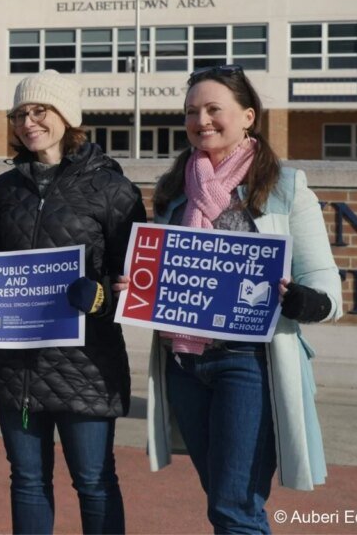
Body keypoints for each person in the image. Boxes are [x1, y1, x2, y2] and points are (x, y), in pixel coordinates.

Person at [137, 65, 343, 533]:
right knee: (226, 500)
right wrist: (141, 285)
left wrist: (303, 302)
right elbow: (166, 274)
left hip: (248, 363)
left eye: (214, 109)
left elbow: (328, 289)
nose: (201, 120)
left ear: (248, 116)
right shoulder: (173, 193)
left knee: (234, 505)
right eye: (192, 111)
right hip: (185, 363)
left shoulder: (286, 187)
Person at [0, 70, 145, 534]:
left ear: (67, 117)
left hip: (86, 364)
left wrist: (100, 300)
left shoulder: (113, 190)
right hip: (16, 363)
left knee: (93, 481)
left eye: (40, 111)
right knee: (27, 480)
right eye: (20, 114)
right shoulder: (5, 189)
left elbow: (134, 286)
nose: (28, 122)